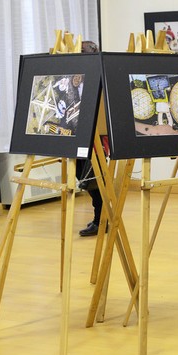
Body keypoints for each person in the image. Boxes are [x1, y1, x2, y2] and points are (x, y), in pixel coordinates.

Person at [77, 41, 105, 238]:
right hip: (81, 137)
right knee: (84, 177)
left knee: (95, 181)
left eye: (82, 52)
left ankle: (101, 219)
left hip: (96, 140)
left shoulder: (99, 76)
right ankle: (100, 218)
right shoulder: (77, 78)